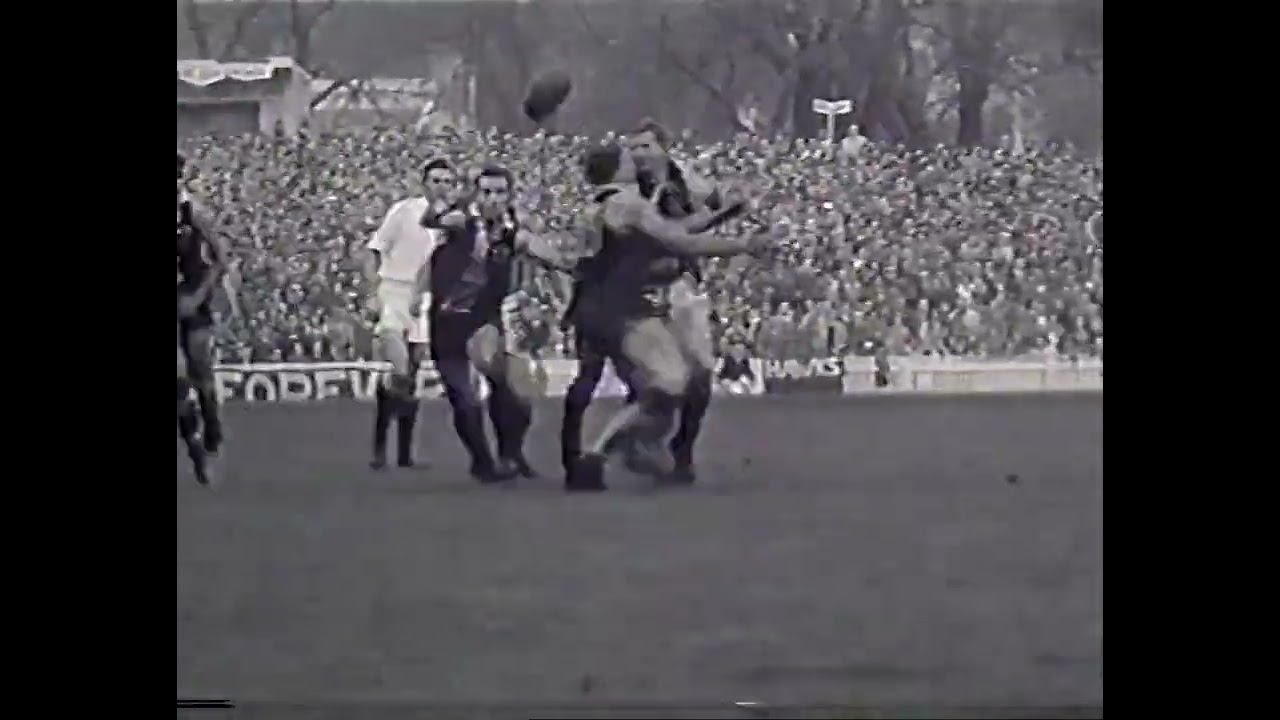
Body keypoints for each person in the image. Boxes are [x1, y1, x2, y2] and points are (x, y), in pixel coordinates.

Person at [568, 142, 761, 492]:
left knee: (651, 391)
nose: (635, 161)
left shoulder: (599, 205)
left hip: (591, 310)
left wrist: (724, 214)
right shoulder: (629, 204)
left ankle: (617, 452)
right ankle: (601, 453)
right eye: (629, 158)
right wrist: (745, 244)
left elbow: (673, 233)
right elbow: (680, 243)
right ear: (618, 169)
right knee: (671, 382)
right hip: (622, 308)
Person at [420, 165, 571, 482]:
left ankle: (510, 454)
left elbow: (537, 249)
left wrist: (570, 266)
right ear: (476, 194)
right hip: (447, 322)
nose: (493, 199)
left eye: (500, 192)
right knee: (464, 398)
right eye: (486, 192)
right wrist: (441, 209)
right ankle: (483, 462)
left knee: (516, 394)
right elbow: (436, 218)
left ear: (509, 196)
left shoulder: (511, 229)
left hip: (483, 320)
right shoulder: (464, 221)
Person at [624, 119, 745, 482]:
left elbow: (714, 201)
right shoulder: (629, 189)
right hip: (638, 287)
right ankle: (642, 444)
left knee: (701, 373)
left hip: (680, 284)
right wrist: (721, 215)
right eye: (634, 147)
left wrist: (728, 203)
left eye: (645, 146)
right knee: (656, 379)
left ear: (664, 147)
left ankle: (682, 446)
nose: (638, 154)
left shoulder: (686, 180)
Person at [367, 157, 457, 470]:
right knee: (400, 367)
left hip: (426, 298)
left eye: (447, 181)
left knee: (412, 374)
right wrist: (372, 293)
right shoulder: (404, 211)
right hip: (394, 290)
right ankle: (380, 446)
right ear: (424, 183)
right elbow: (375, 248)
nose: (441, 186)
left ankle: (403, 453)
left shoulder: (453, 221)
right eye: (436, 180)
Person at [177, 152, 231, 475]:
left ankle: (210, 422)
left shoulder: (191, 212)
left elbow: (221, 258)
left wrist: (198, 297)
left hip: (191, 298)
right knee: (178, 378)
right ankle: (193, 441)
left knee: (201, 370)